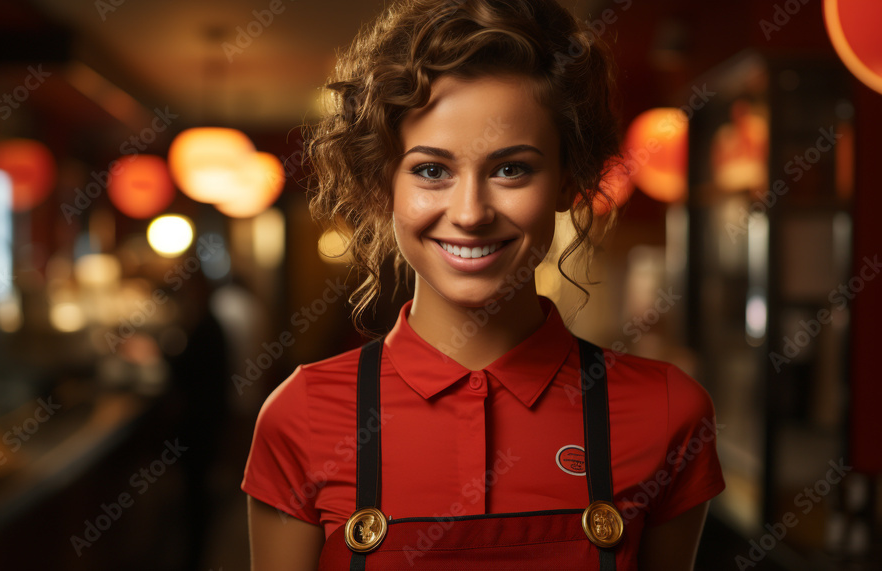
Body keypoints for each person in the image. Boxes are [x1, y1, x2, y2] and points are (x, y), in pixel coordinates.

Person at [242, 0, 725, 569]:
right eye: (431, 170)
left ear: (569, 181)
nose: (470, 213)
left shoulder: (668, 412)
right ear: (383, 186)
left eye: (511, 168)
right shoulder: (301, 414)